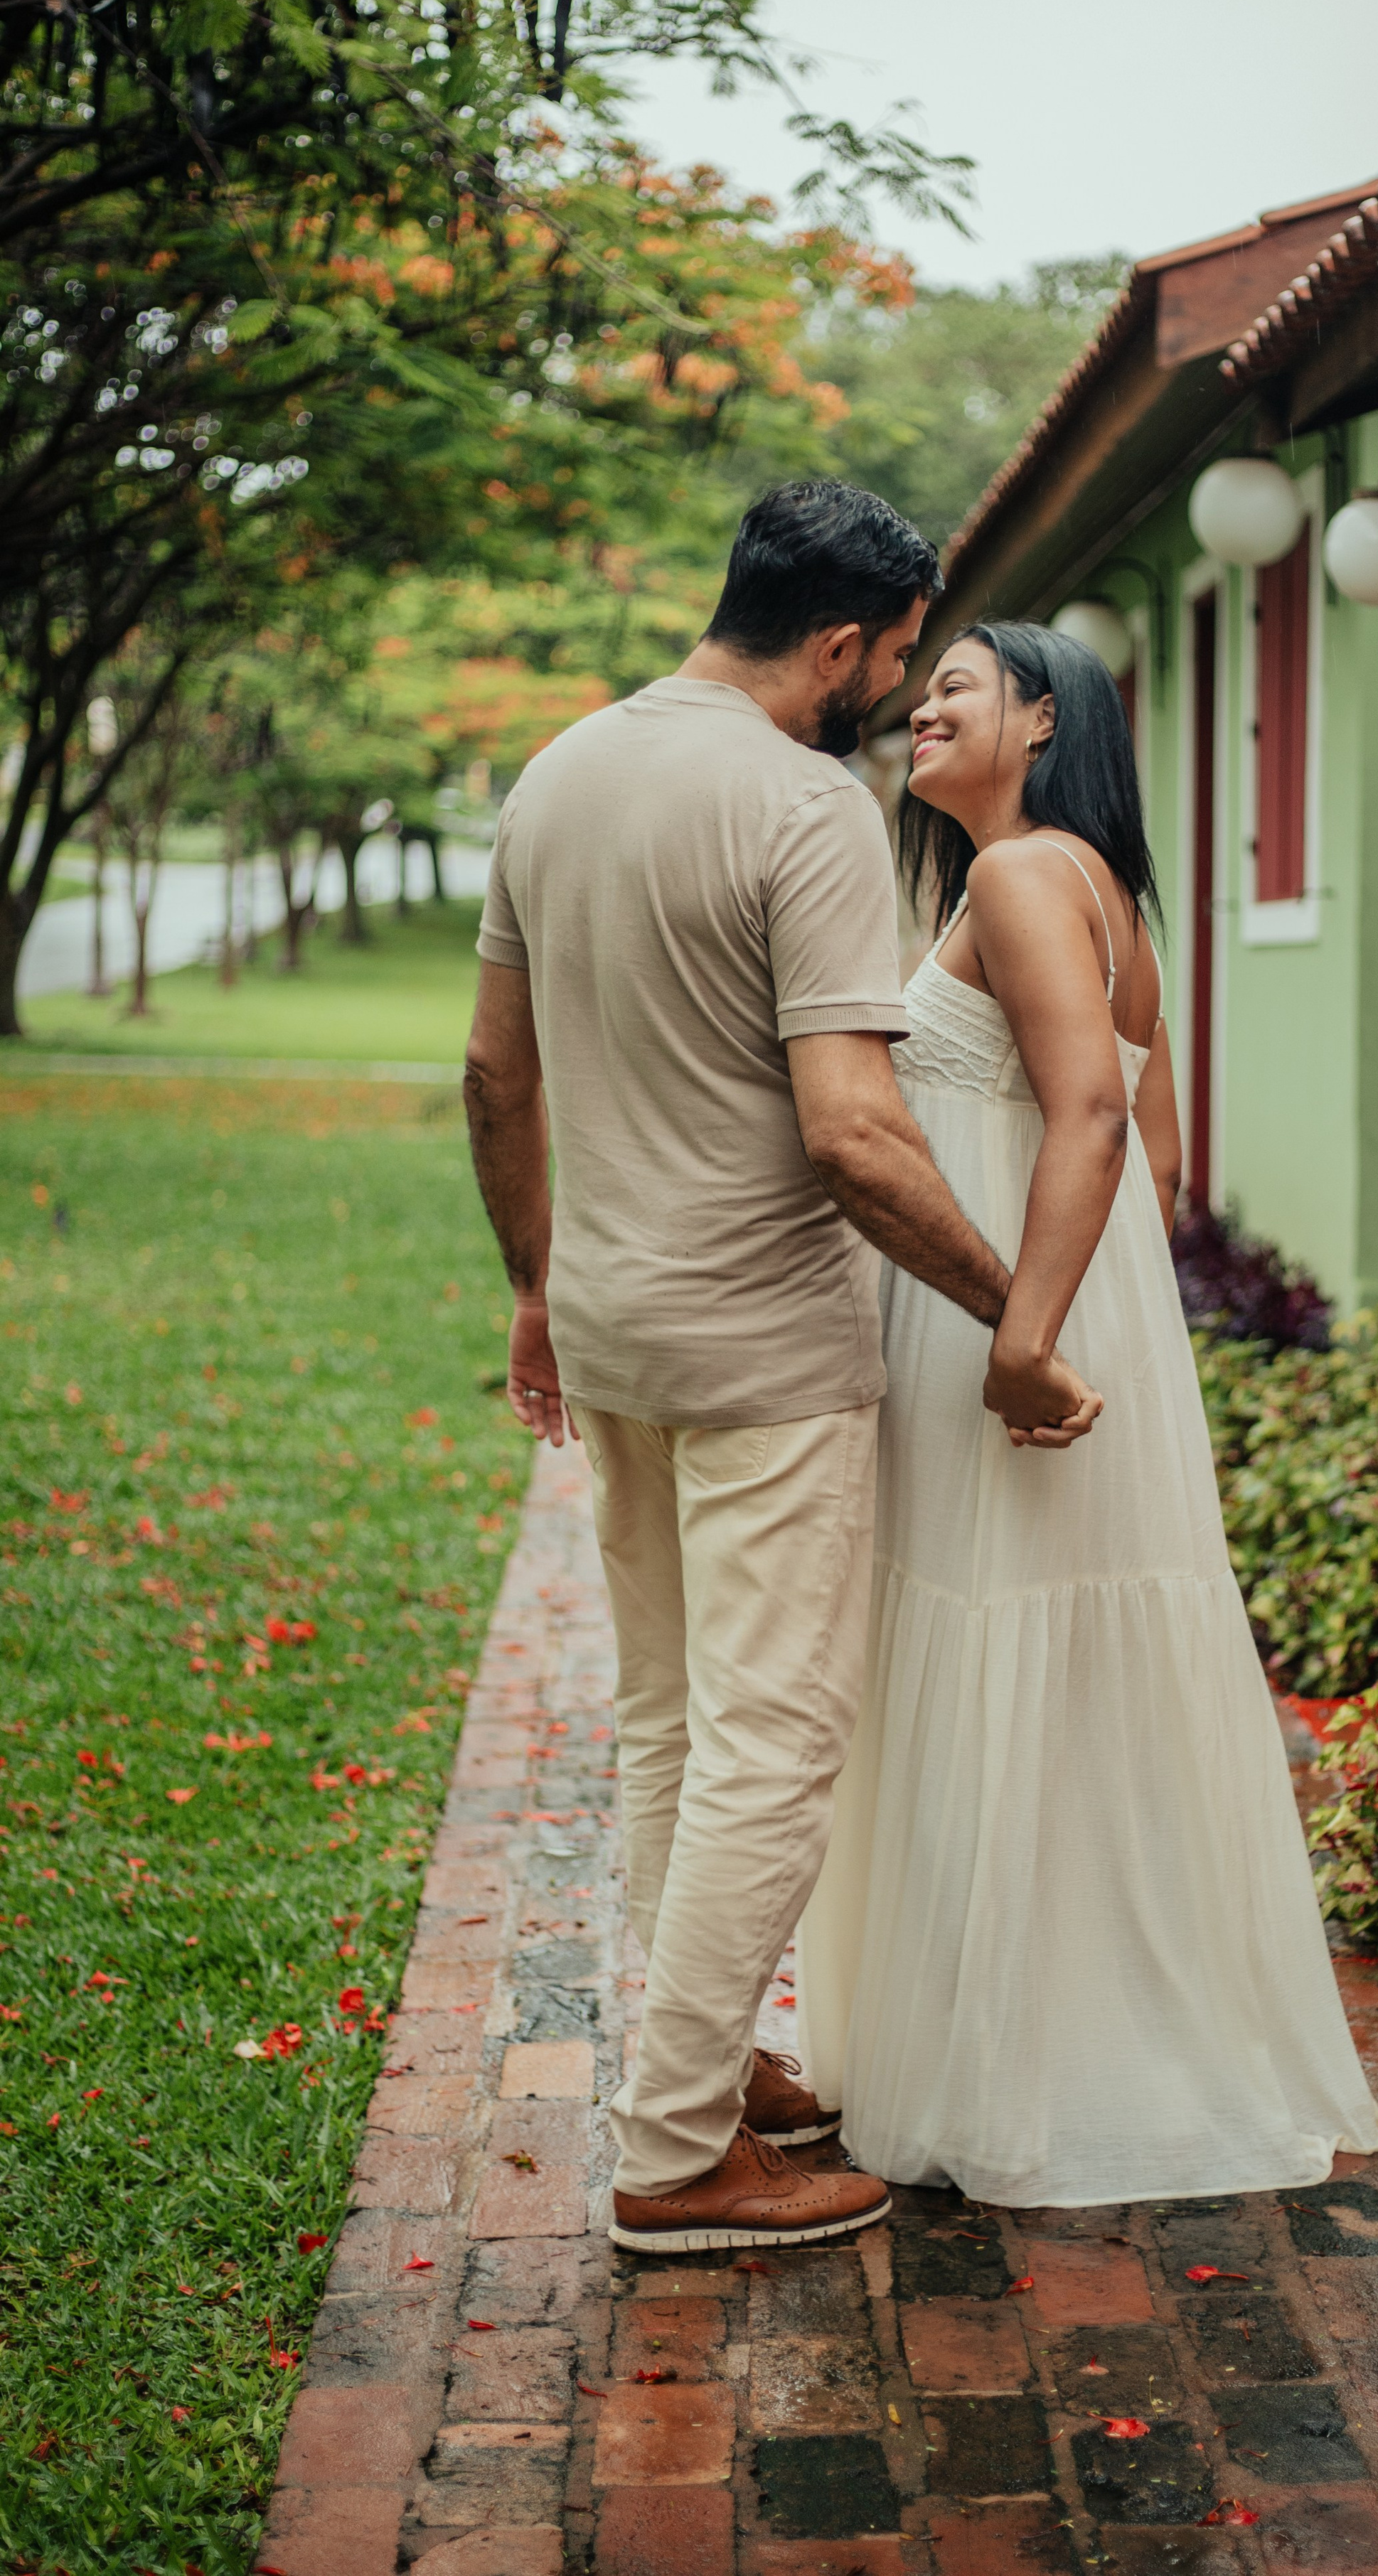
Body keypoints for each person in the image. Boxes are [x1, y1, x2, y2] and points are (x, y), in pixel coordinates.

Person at [461, 488, 1100, 2256]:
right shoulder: (802, 806)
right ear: (838, 641)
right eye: (893, 660)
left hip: (613, 1334)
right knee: (774, 1742)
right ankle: (676, 2158)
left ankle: (708, 2056)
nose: (892, 694)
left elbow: (494, 1074)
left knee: (671, 1718)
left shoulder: (557, 773)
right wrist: (1016, 1320)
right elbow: (854, 1133)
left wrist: (533, 1284)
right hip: (763, 1354)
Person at [798, 621, 1378, 2205]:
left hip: (1011, 1328)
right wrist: (1092, 1303)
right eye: (923, 687)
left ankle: (998, 2066)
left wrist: (1021, 1337)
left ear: (1046, 720)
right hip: (1083, 1309)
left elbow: (1092, 1118)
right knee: (1068, 1663)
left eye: (958, 687)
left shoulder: (1013, 875)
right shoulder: (1103, 892)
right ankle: (1074, 2034)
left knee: (991, 1639)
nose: (923, 707)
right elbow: (1160, 1155)